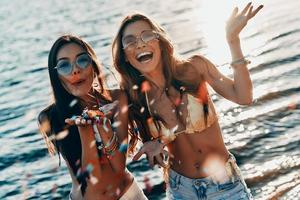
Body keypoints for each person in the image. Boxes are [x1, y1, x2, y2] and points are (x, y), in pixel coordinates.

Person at [112, 2, 263, 199]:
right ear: (124, 55)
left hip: (226, 186)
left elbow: (243, 96)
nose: (140, 44)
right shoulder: (135, 98)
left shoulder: (195, 68)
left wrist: (233, 41)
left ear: (160, 41)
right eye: (130, 41)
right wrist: (155, 145)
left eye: (147, 35)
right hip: (181, 190)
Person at [38, 34, 147, 199]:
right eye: (64, 66)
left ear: (93, 65)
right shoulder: (50, 117)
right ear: (57, 77)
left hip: (130, 194)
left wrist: (103, 124)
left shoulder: (117, 98)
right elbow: (91, 179)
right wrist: (85, 128)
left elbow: (119, 165)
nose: (75, 70)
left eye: (82, 60)